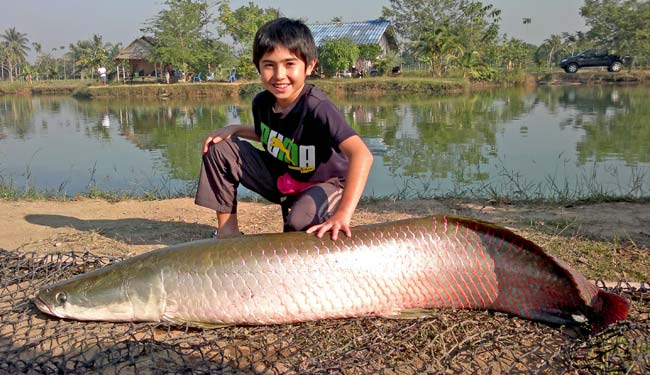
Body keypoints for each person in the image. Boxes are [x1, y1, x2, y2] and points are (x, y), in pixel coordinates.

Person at [195, 17, 373, 241]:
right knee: (219, 148)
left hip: (326, 184)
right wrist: (236, 129)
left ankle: (318, 211)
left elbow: (362, 155)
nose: (279, 75)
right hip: (284, 179)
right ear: (258, 67)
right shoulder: (261, 102)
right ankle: (227, 231)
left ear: (309, 66)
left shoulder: (317, 106)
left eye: (290, 64)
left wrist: (343, 215)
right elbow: (270, 136)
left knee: (299, 224)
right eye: (269, 65)